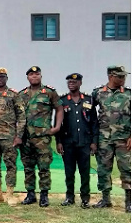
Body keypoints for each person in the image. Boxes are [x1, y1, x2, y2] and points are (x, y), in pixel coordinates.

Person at [19, 66, 63, 207]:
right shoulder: (22, 94)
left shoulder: (49, 92)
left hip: (42, 138)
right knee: (28, 167)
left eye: (37, 74)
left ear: (41, 76)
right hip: (26, 137)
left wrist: (56, 127)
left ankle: (44, 195)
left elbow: (59, 108)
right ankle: (30, 194)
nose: (34, 76)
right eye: (31, 74)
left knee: (44, 167)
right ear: (28, 77)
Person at [91, 65, 131, 213]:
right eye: (120, 76)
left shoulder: (128, 94)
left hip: (124, 139)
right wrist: (93, 138)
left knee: (127, 169)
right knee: (103, 169)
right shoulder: (98, 93)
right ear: (110, 76)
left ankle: (129, 202)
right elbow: (90, 115)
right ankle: (106, 199)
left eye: (124, 76)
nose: (123, 79)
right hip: (104, 139)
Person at [56, 73, 97, 209]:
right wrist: (59, 141)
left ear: (80, 83)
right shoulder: (62, 101)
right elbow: (58, 123)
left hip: (84, 142)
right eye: (69, 82)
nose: (71, 84)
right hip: (68, 143)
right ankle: (69, 197)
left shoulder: (88, 100)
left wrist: (94, 142)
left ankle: (85, 198)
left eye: (74, 81)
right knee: (69, 172)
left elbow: (94, 122)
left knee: (84, 172)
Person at [0, 68, 25, 205]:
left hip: (9, 137)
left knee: (10, 165)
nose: (0, 79)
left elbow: (21, 116)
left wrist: (19, 136)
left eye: (2, 77)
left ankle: (10, 194)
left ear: (6, 78)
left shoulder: (14, 95)